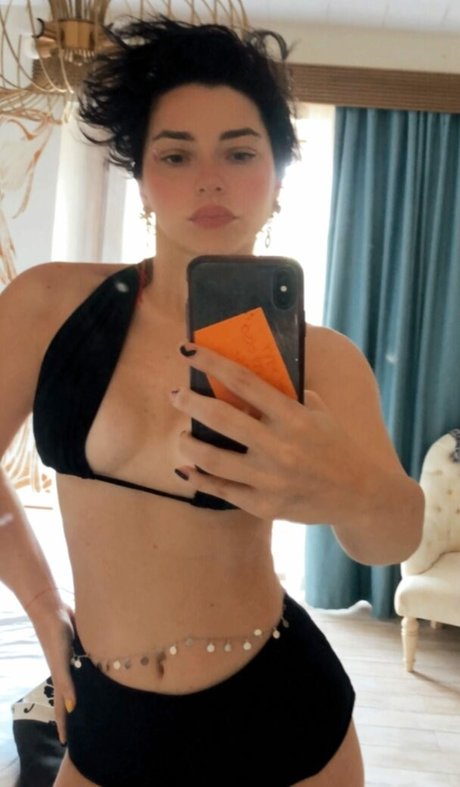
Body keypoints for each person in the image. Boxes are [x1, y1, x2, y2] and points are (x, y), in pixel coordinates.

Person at [0, 16, 424, 787]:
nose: (210, 180)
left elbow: (393, 535)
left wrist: (346, 485)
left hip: (281, 707)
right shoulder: (48, 306)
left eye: (239, 151)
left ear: (277, 176)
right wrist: (42, 603)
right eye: (175, 154)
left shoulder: (323, 359)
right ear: (140, 178)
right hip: (109, 716)